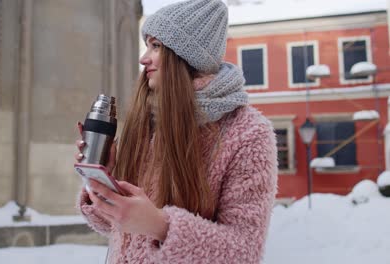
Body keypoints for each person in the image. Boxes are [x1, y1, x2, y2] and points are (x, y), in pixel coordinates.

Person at [75, 0, 278, 263]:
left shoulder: (248, 133)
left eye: (156, 46)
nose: (143, 57)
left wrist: (161, 226)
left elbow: (243, 252)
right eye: (147, 45)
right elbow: (119, 228)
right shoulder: (150, 121)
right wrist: (104, 177)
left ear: (185, 55)